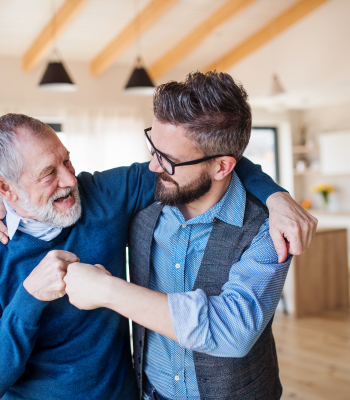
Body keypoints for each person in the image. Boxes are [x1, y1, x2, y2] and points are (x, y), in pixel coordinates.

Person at [0, 113, 316, 398]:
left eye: (67, 161)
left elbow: (209, 163)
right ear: (5, 188)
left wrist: (276, 196)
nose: (70, 179)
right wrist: (30, 296)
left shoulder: (104, 194)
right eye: (49, 173)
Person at [63, 71, 289, 400]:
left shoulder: (268, 228)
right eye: (154, 149)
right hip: (150, 392)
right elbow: (55, 199)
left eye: (169, 159)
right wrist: (5, 205)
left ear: (222, 166)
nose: (154, 167)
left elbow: (233, 331)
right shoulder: (141, 203)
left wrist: (106, 290)